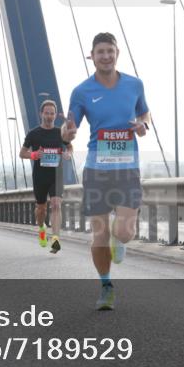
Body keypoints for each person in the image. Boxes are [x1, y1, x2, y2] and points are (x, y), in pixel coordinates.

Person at [63, 33, 150, 310]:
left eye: (109, 51)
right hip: (96, 169)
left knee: (123, 232)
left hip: (127, 169)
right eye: (100, 52)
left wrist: (142, 124)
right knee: (99, 232)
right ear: (92, 55)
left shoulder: (135, 84)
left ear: (117, 53)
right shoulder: (81, 91)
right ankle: (106, 285)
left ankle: (119, 239)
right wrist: (67, 133)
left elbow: (145, 113)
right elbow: (69, 128)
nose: (105, 56)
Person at [21, 99, 73, 254]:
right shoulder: (33, 133)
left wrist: (68, 154)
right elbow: (22, 153)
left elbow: (69, 146)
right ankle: (42, 229)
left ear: (55, 115)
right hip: (40, 176)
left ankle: (55, 239)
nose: (49, 116)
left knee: (56, 204)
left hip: (56, 175)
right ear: (41, 114)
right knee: (41, 209)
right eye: (47, 113)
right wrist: (34, 154)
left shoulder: (60, 132)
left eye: (52, 113)